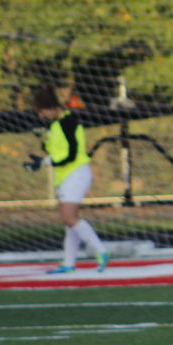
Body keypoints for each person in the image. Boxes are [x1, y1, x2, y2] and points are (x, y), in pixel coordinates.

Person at [24, 86, 110, 274]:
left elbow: (71, 155)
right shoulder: (55, 125)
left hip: (76, 173)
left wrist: (44, 164)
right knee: (69, 222)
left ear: (50, 107)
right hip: (64, 176)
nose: (41, 116)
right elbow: (53, 152)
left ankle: (101, 251)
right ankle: (68, 263)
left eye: (41, 111)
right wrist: (43, 147)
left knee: (69, 217)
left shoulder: (69, 121)